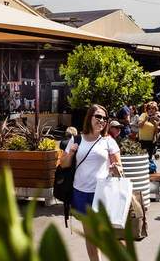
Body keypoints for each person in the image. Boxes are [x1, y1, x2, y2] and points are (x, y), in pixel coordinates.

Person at [60, 104, 121, 261]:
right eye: (98, 117)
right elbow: (64, 164)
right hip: (80, 193)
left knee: (111, 236)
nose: (101, 120)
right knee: (91, 237)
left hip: (102, 194)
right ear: (90, 118)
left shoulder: (109, 142)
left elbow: (120, 168)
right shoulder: (76, 139)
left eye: (104, 118)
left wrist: (115, 169)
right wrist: (72, 151)